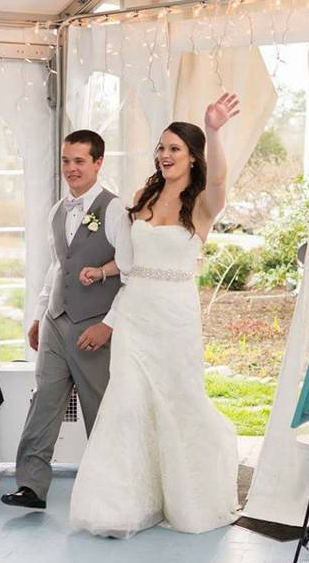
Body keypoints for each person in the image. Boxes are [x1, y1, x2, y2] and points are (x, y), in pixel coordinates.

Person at [69, 93, 243, 538]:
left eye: (175, 149)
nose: (165, 156)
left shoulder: (202, 204)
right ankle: (120, 506)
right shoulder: (143, 197)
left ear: (192, 157)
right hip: (136, 313)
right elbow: (131, 264)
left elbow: (221, 180)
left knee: (178, 402)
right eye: (161, 148)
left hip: (175, 316)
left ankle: (188, 496)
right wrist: (104, 273)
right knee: (126, 406)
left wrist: (215, 129)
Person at [1, 130, 130, 510]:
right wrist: (41, 315)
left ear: (98, 163)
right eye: (66, 160)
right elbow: (58, 266)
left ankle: (110, 491)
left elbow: (131, 272)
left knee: (99, 407)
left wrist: (110, 324)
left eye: (80, 161)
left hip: (94, 324)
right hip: (56, 322)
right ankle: (31, 485)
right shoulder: (57, 211)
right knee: (44, 401)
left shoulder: (115, 209)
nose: (71, 169)